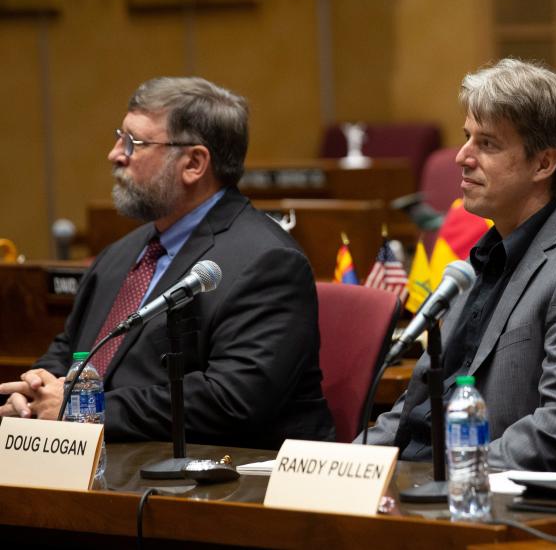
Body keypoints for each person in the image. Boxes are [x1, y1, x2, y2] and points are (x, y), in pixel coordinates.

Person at [0, 77, 335, 449]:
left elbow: (231, 399)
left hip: (216, 479)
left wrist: (85, 410)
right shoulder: (122, 253)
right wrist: (33, 392)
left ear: (193, 163)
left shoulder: (267, 262)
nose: (115, 154)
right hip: (102, 462)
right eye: (119, 137)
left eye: (133, 142)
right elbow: (70, 349)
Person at [361, 58, 556, 471]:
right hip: (417, 479)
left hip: (478, 494)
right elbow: (411, 414)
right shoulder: (475, 261)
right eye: (466, 138)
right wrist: (342, 465)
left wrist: (442, 475)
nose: (462, 157)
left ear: (544, 164)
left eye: (487, 144)